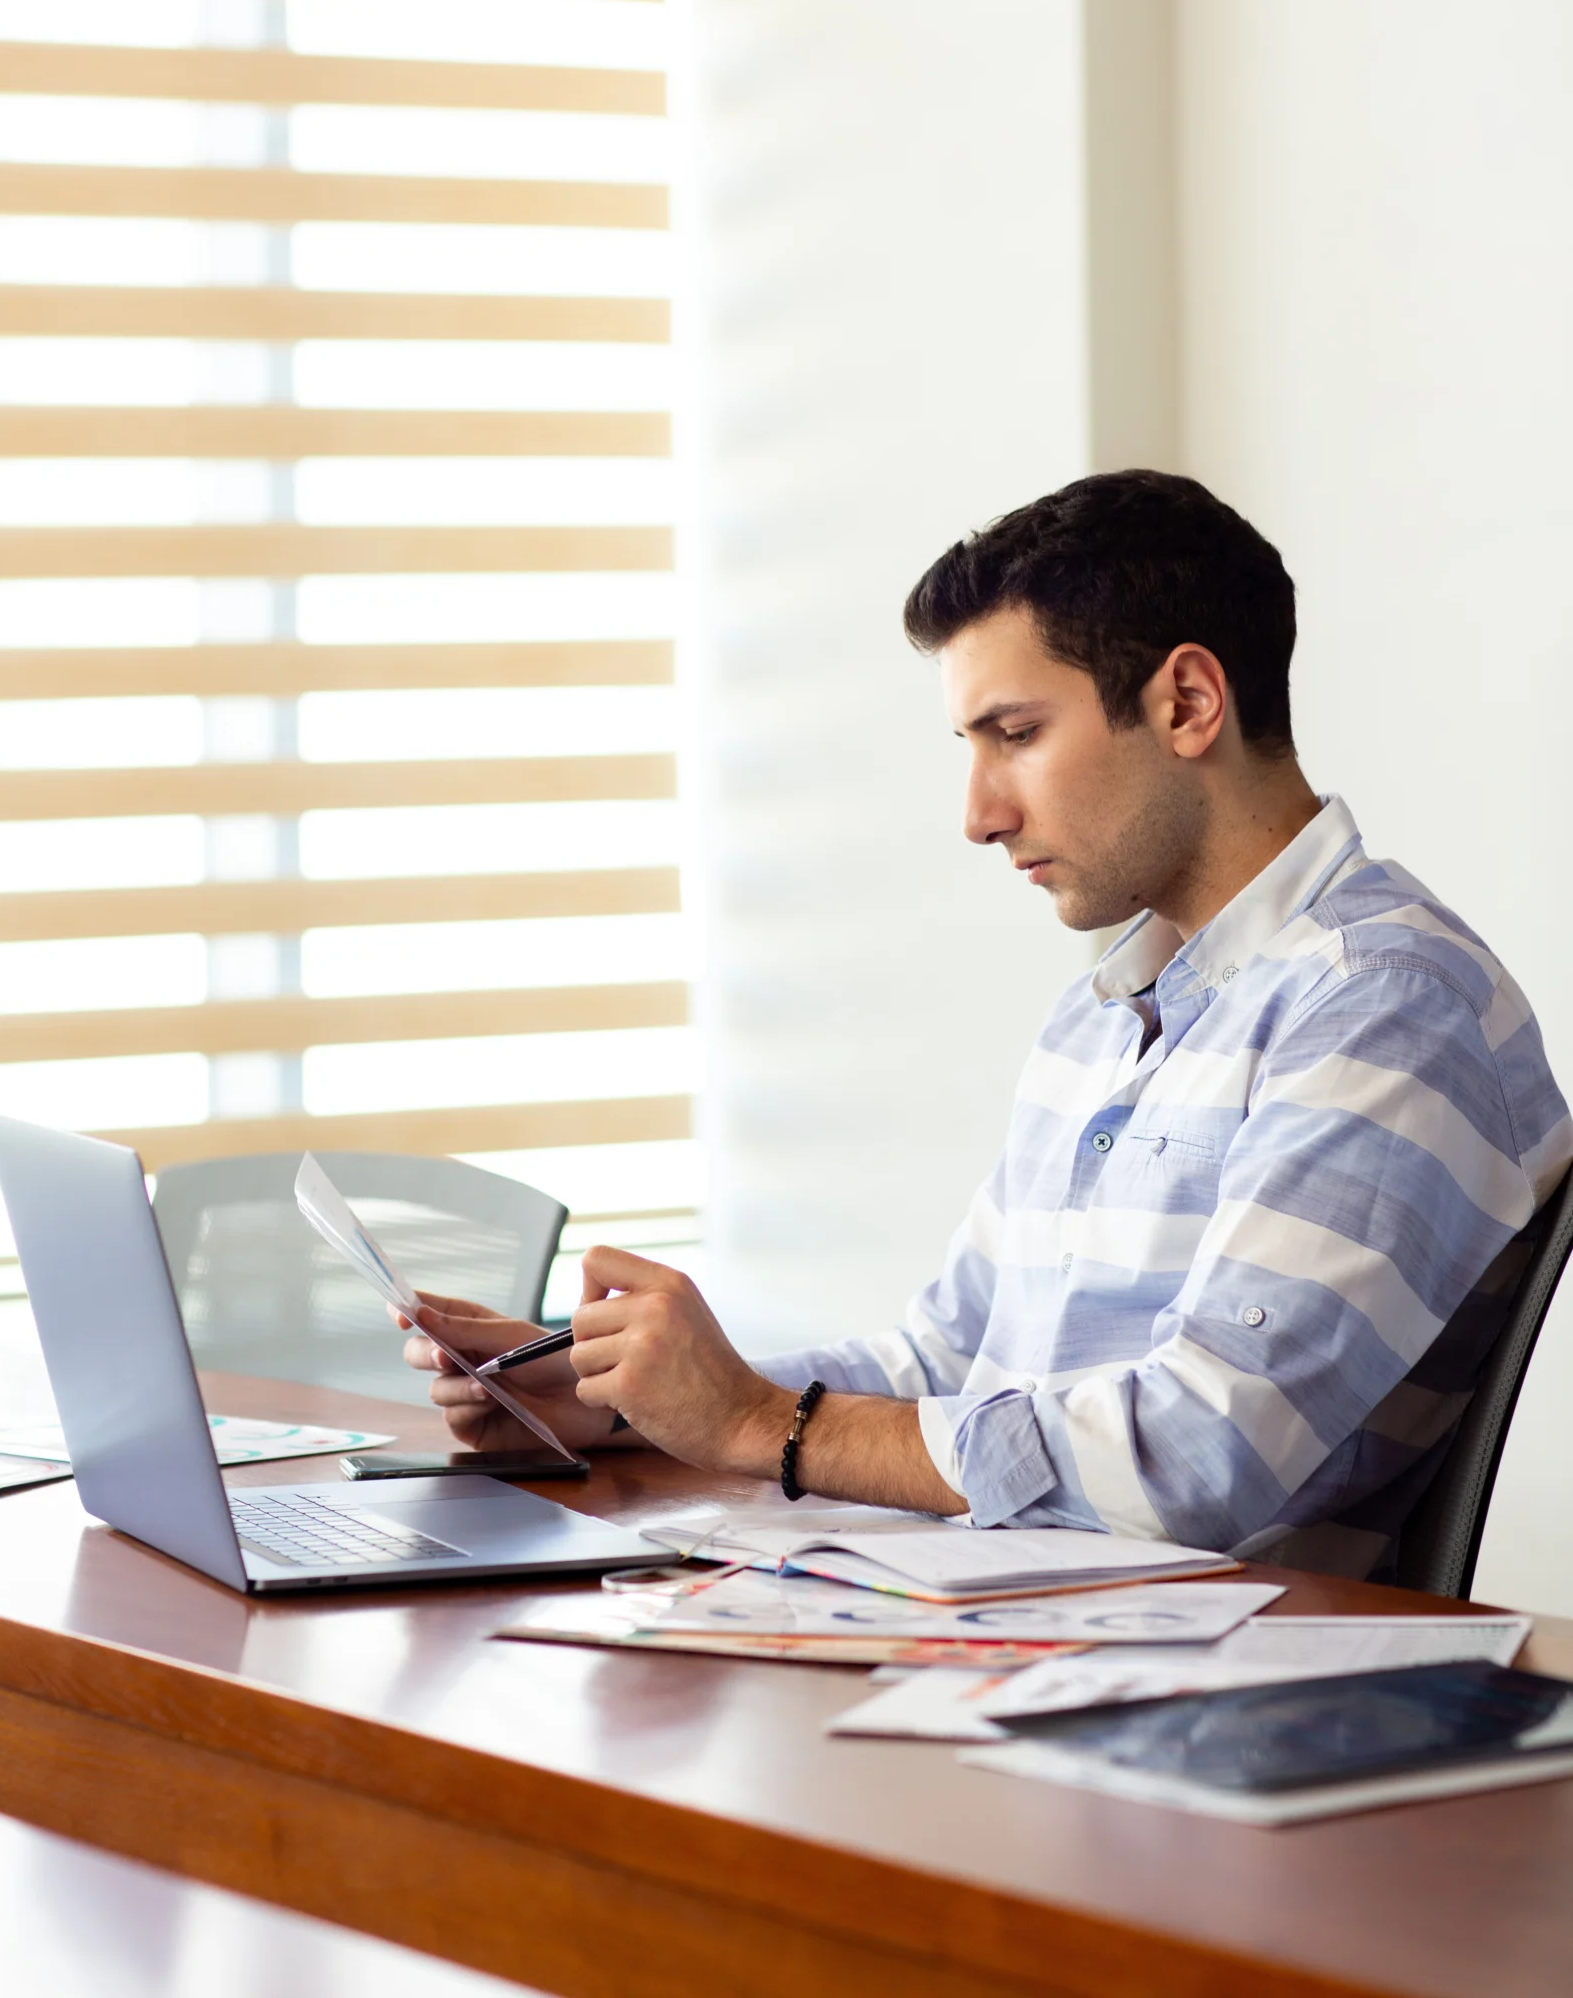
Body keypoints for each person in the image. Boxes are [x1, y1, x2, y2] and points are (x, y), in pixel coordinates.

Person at [403, 471, 1571, 1574]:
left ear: (1188, 702)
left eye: (1015, 734)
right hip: (1029, 1639)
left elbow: (1198, 1454)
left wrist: (761, 1422)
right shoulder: (1108, 1012)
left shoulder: (1385, 1002)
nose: (978, 814)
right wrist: (630, 1399)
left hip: (1204, 1700)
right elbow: (953, 1364)